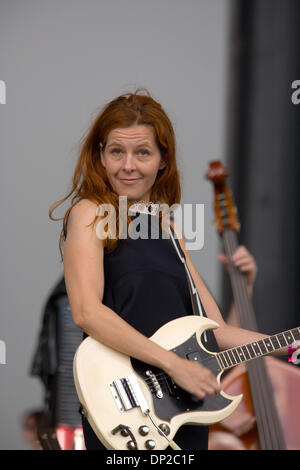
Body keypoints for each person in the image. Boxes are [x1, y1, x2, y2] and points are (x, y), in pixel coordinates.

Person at [49, 88, 288, 450]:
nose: (128, 165)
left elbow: (217, 331)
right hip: (126, 407)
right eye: (117, 151)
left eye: (142, 152)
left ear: (162, 160)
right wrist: (175, 365)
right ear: (101, 155)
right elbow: (86, 312)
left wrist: (288, 345)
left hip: (185, 408)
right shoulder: (91, 212)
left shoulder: (169, 231)